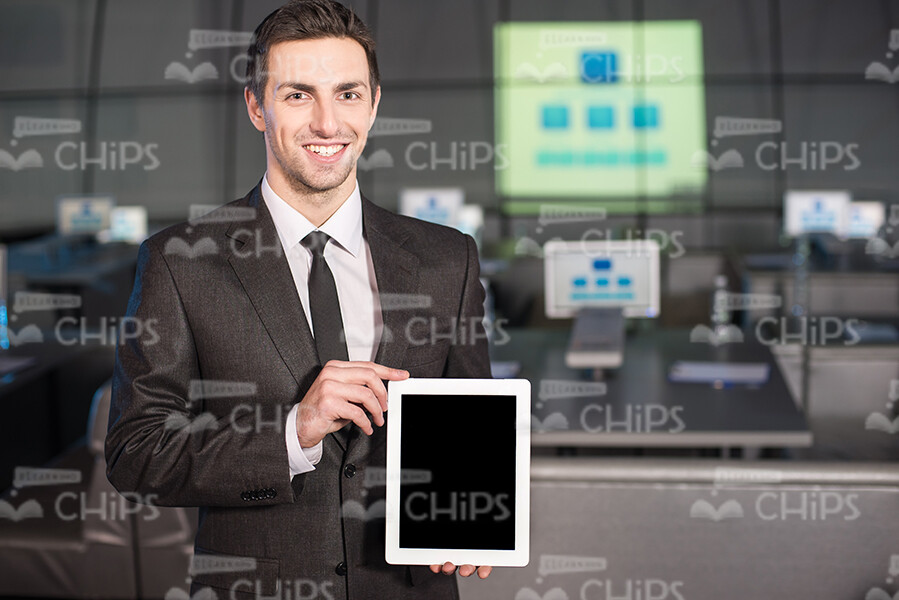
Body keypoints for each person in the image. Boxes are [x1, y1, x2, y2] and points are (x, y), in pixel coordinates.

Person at [104, 1, 492, 598]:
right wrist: (294, 433)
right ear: (257, 107)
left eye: (348, 94)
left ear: (375, 103)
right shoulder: (179, 262)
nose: (327, 122)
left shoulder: (448, 258)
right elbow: (137, 454)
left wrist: (468, 521)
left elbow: (469, 422)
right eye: (297, 95)